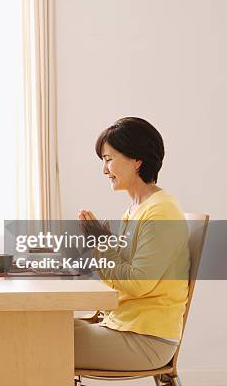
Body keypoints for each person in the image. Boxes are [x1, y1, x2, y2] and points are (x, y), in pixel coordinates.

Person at [75, 117, 189, 371]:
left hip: (146, 338)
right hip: (124, 325)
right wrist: (98, 244)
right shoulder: (136, 210)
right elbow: (119, 275)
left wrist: (101, 243)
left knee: (38, 339)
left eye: (108, 159)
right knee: (41, 326)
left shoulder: (161, 212)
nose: (104, 170)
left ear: (137, 160)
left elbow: (138, 283)